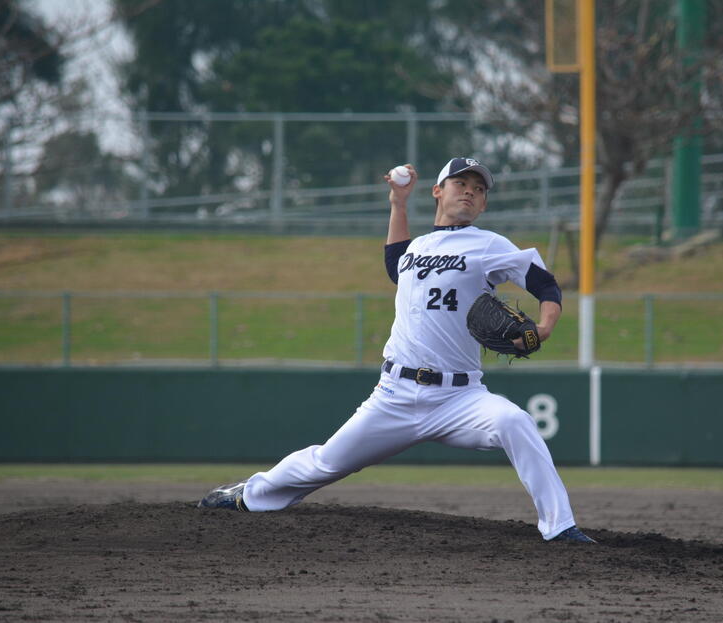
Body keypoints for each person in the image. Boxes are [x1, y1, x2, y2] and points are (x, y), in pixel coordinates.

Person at [198, 157, 595, 543]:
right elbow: (396, 265)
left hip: (460, 397)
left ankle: (559, 527)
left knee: (515, 422)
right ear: (438, 192)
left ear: (484, 203)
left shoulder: (489, 244)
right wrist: (398, 203)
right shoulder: (417, 247)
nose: (470, 193)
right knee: (327, 461)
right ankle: (249, 495)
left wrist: (543, 328)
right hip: (395, 394)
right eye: (461, 185)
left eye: (478, 190)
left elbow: (545, 284)